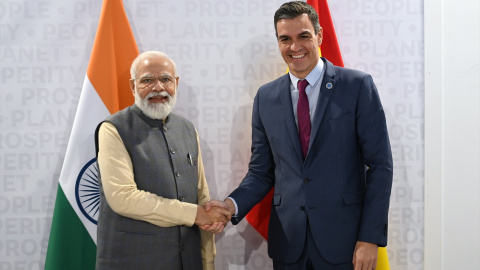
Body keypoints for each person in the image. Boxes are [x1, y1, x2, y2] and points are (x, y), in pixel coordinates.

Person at [205, 2, 393, 270]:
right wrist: (230, 205)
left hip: (347, 244)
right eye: (285, 39)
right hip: (289, 246)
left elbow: (380, 166)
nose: (295, 47)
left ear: (319, 36)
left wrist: (370, 238)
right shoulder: (265, 98)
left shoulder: (357, 86)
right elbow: (261, 172)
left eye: (303, 36)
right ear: (278, 42)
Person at [94, 51, 230, 270]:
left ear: (176, 83)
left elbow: (201, 196)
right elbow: (123, 197)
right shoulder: (113, 129)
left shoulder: (187, 129)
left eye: (166, 79)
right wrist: (195, 214)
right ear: (132, 86)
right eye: (147, 80)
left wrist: (208, 261)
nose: (158, 87)